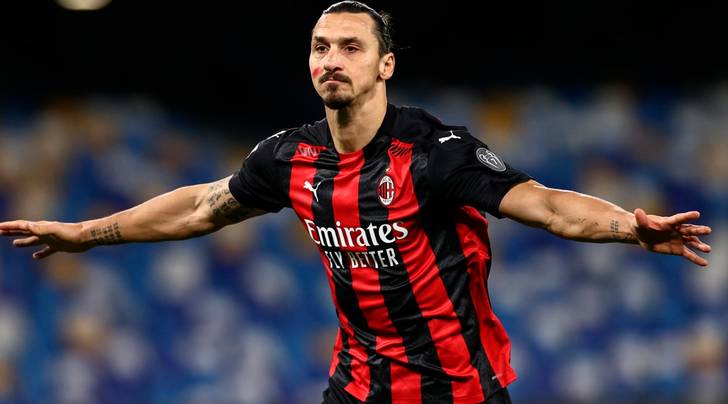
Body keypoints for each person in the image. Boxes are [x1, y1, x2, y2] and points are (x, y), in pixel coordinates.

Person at [0, 2, 713, 403]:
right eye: (320, 47)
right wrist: (85, 234)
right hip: (358, 388)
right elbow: (202, 207)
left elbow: (546, 205)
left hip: (457, 390)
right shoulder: (289, 156)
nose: (331, 60)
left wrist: (628, 227)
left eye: (349, 47)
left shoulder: (435, 153)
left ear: (385, 65)